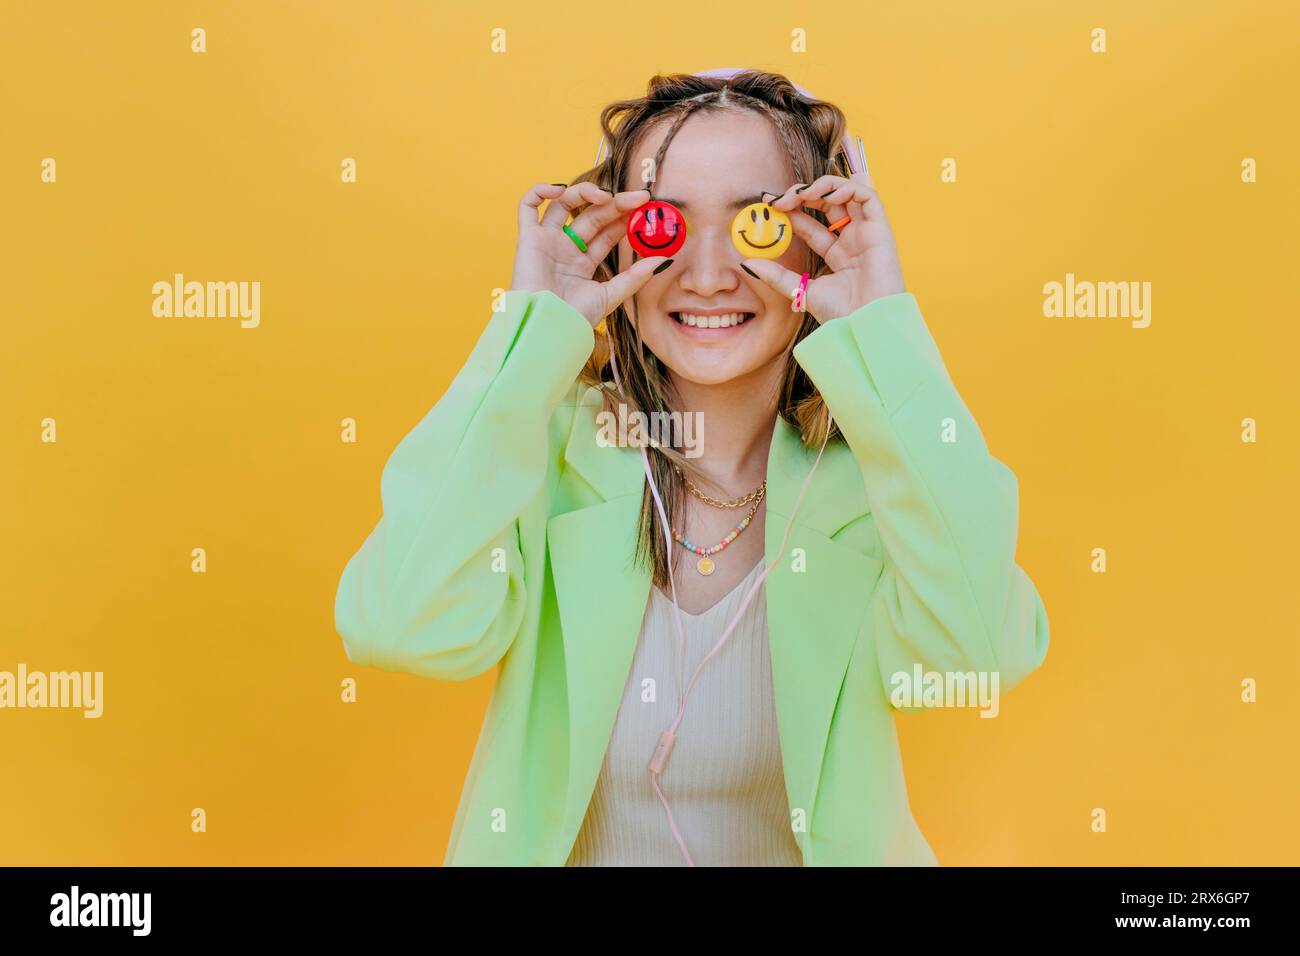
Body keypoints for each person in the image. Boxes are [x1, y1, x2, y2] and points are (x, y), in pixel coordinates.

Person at [333, 68, 1050, 866]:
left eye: (758, 225)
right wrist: (529, 338)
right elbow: (399, 625)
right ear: (615, 243)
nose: (707, 276)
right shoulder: (551, 456)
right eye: (663, 226)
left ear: (818, 238)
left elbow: (979, 654)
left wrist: (882, 328)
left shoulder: (875, 481)